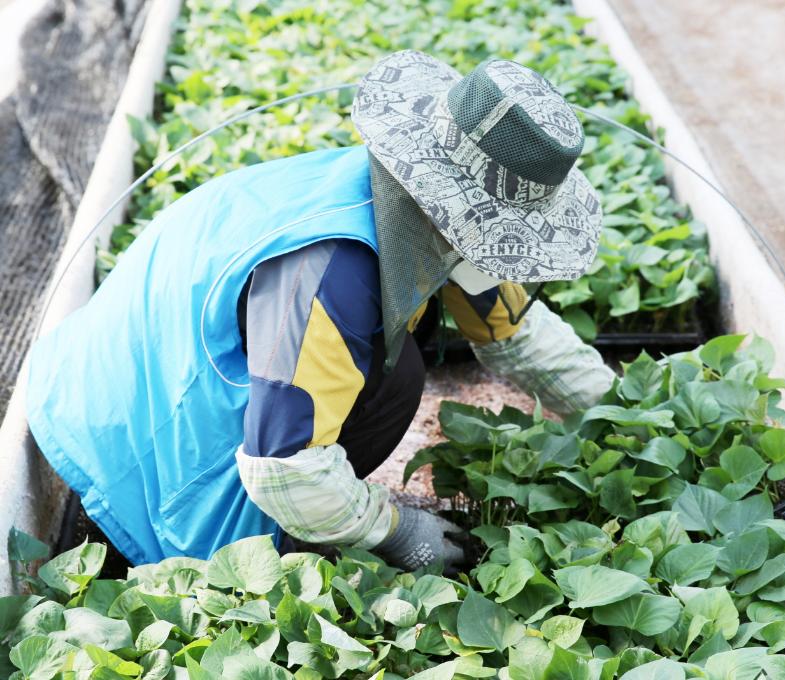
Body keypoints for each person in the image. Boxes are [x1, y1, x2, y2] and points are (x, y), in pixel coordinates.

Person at [26, 51, 615, 572]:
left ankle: (303, 518)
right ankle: (228, 537)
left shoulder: (413, 199)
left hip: (135, 366)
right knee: (386, 384)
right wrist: (390, 528)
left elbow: (515, 331)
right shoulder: (332, 272)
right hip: (116, 426)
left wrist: (626, 418)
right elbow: (283, 466)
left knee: (390, 368)